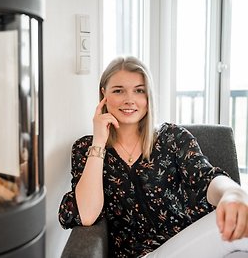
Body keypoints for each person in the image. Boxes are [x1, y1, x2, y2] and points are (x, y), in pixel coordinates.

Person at [58, 56, 248, 257]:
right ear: (104, 94)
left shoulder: (172, 137)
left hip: (192, 247)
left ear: (148, 97)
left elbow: (206, 178)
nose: (129, 99)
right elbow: (86, 215)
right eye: (118, 90)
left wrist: (233, 194)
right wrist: (98, 143)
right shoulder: (86, 148)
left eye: (139, 90)